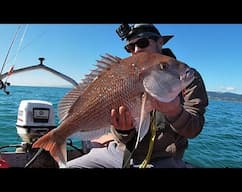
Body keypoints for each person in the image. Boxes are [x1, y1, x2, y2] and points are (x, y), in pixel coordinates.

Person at [67, 24, 209, 168]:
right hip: (119, 153)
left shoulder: (185, 76)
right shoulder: (123, 75)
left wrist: (175, 112)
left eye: (142, 43)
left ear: (160, 42)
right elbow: (121, 136)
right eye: (130, 47)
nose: (136, 50)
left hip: (163, 158)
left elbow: (194, 129)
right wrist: (122, 130)